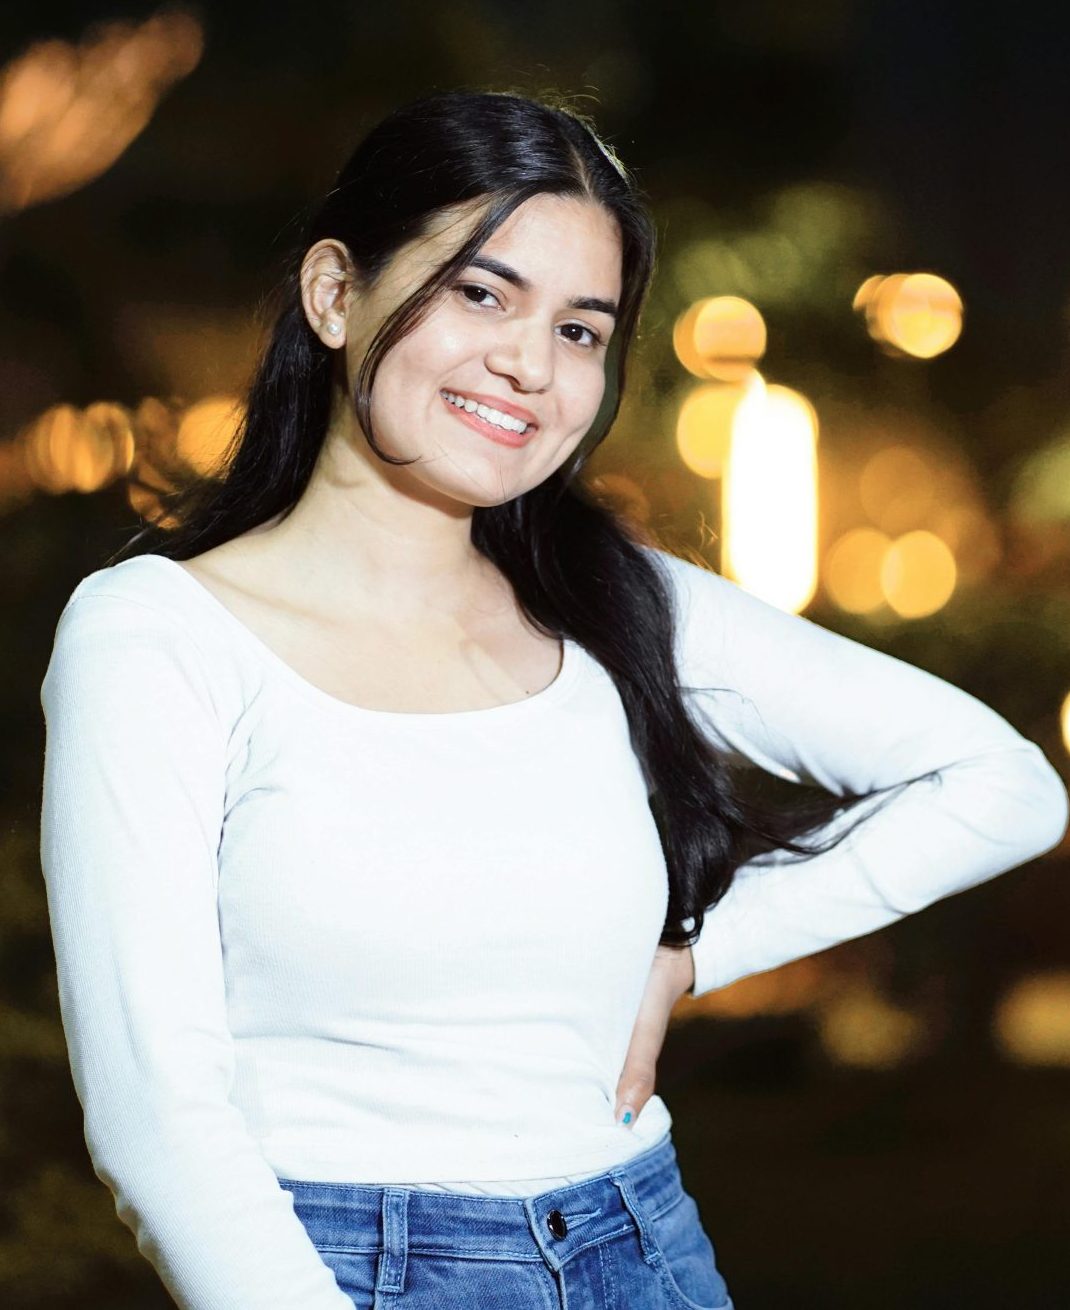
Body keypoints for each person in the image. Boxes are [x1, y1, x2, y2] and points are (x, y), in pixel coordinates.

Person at [39, 89, 1067, 1310]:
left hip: (644, 1245)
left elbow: (1001, 785)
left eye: (580, 329)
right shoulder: (159, 637)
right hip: (346, 1267)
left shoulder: (619, 601)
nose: (531, 363)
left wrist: (696, 953)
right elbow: (160, 1124)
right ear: (333, 293)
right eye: (481, 293)